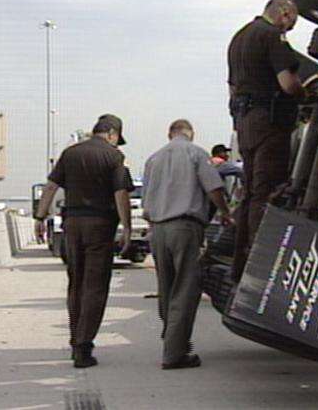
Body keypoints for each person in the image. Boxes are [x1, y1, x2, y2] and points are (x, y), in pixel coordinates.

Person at [34, 114, 134, 368]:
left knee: (76, 283)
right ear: (112, 134)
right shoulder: (114, 156)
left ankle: (75, 338)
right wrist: (127, 227)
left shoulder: (70, 153)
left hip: (73, 225)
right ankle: (83, 345)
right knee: (95, 286)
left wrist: (40, 217)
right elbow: (120, 193)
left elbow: (50, 187)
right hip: (100, 226)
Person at [142, 119, 234, 370]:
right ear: (191, 134)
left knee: (167, 287)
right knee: (186, 287)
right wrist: (225, 213)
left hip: (157, 229)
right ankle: (175, 353)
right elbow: (214, 188)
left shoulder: (153, 159)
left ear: (169, 134)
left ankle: (171, 336)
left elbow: (146, 199)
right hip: (184, 227)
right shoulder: (196, 153)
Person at [227, 0, 307, 282]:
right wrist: (306, 93)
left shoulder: (239, 38)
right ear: (284, 13)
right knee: (268, 192)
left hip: (245, 123)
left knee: (250, 193)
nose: (289, 29)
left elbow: (232, 88)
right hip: (270, 124)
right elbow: (288, 84)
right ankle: (261, 263)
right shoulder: (272, 36)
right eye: (291, 23)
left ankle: (240, 265)